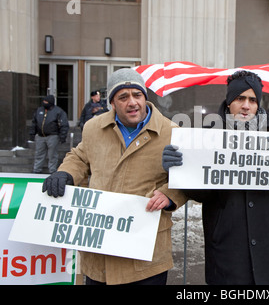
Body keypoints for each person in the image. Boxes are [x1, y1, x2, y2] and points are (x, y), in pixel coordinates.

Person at [162, 70, 269, 285]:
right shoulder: (207, 136)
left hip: (267, 251)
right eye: (240, 98)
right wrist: (178, 169)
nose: (246, 106)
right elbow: (198, 192)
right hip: (226, 252)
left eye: (252, 100)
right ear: (229, 101)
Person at [41, 68, 187, 285]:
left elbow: (187, 175)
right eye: (123, 97)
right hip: (99, 253)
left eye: (137, 95)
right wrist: (65, 173)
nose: (132, 102)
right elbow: (80, 157)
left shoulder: (172, 131)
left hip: (145, 254)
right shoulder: (94, 128)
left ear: (145, 97)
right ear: (112, 102)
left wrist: (169, 194)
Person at [29, 95, 69, 174]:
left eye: (46, 102)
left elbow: (64, 124)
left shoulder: (58, 111)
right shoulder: (39, 110)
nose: (44, 103)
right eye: (44, 101)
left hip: (53, 135)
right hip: (40, 136)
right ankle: (37, 170)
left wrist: (62, 136)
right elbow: (34, 123)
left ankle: (52, 170)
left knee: (52, 155)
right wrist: (32, 133)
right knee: (39, 154)